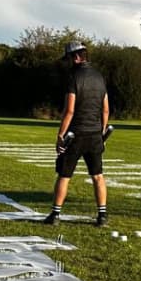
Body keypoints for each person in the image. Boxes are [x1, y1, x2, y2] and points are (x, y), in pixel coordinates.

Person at [43, 41, 110, 228]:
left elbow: (69, 110)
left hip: (75, 135)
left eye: (70, 58)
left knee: (64, 176)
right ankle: (102, 215)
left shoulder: (73, 78)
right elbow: (105, 110)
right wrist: (102, 131)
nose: (69, 62)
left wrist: (60, 135)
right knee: (98, 175)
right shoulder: (99, 77)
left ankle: (55, 214)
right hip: (95, 134)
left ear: (77, 56)